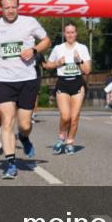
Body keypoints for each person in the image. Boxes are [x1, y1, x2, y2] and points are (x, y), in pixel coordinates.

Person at [0, 0, 51, 180]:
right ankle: (10, 163)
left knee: (24, 124)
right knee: (7, 121)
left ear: (18, 6)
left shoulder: (29, 22)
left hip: (27, 79)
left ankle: (24, 138)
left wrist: (34, 49)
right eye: (7, 8)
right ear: (1, 9)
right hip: (4, 80)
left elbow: (47, 40)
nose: (11, 11)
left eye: (14, 7)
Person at [44, 23, 91, 155]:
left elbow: (87, 71)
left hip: (77, 83)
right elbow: (48, 65)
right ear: (64, 34)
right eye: (68, 32)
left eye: (72, 32)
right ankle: (61, 137)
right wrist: (57, 63)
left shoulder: (82, 48)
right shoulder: (58, 48)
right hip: (63, 83)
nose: (70, 35)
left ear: (76, 34)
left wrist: (79, 61)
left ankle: (70, 142)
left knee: (74, 117)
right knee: (65, 116)